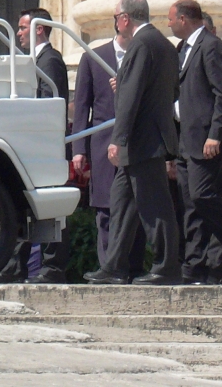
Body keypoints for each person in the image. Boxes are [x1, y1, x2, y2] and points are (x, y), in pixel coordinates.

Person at [85, 0, 182, 285]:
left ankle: (166, 268)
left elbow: (131, 97)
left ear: (125, 18)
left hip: (142, 142)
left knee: (155, 207)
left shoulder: (141, 44)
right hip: (148, 140)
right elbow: (170, 92)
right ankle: (114, 266)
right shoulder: (164, 45)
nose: (116, 24)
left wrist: (119, 138)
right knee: (122, 204)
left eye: (116, 18)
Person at [0, 8, 71, 283]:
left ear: (39, 28)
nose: (19, 33)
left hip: (46, 148)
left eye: (24, 27)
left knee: (52, 211)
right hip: (31, 148)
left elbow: (51, 102)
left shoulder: (50, 61)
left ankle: (52, 268)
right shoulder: (30, 61)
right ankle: (17, 266)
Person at [72, 30, 147, 272]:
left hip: (137, 143)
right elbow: (83, 106)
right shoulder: (94, 57)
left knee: (135, 207)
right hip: (103, 144)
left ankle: (133, 268)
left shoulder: (144, 55)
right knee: (105, 209)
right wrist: (78, 149)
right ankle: (108, 269)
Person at [169, 0, 222, 284]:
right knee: (190, 204)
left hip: (205, 140)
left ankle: (221, 252)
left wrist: (216, 134)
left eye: (171, 19)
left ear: (184, 19)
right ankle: (195, 263)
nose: (168, 24)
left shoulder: (212, 46)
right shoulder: (182, 50)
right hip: (184, 139)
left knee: (203, 196)